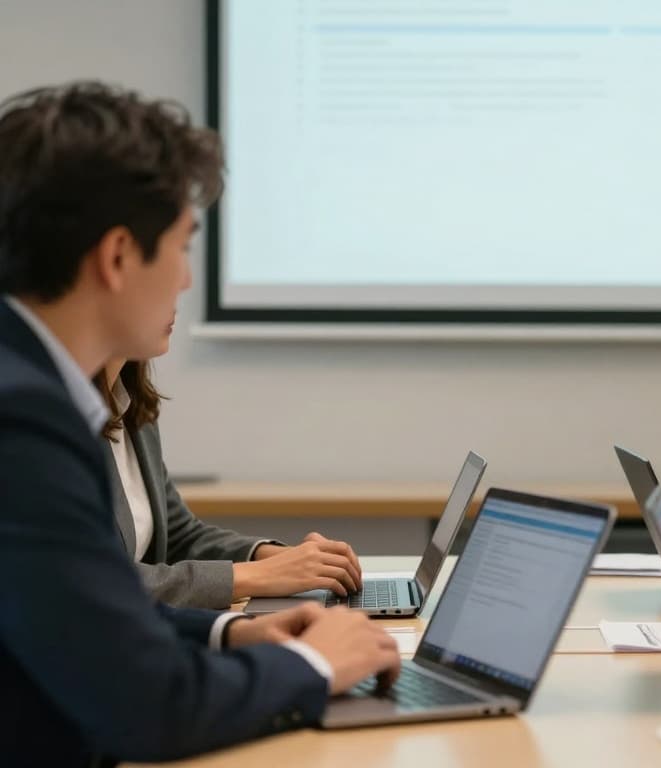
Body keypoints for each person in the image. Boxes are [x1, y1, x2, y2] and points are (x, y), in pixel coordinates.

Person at [0, 82, 400, 765]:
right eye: (183, 247)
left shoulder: (35, 386)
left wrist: (226, 635)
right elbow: (147, 708)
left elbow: (78, 618)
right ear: (119, 256)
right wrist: (311, 664)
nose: (187, 280)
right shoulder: (23, 419)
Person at [97, 358, 367, 609]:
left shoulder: (130, 403)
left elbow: (180, 537)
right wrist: (256, 576)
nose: (175, 305)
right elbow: (95, 576)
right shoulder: (62, 425)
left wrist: (282, 558)